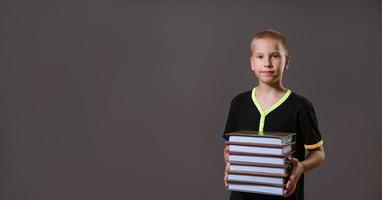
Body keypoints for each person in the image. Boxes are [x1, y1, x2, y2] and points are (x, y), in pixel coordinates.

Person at [222, 29, 326, 200]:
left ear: (287, 61)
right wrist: (231, 162)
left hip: (285, 194)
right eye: (260, 56)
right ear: (252, 63)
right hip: (242, 195)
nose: (267, 63)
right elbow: (229, 148)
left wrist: (300, 167)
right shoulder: (239, 103)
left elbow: (319, 154)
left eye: (275, 56)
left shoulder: (301, 106)